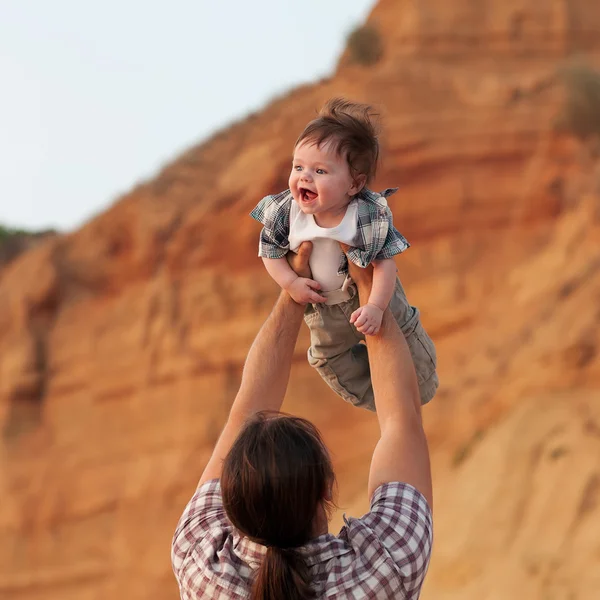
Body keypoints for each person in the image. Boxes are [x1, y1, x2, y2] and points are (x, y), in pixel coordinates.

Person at [171, 242, 434, 599]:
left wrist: (293, 292)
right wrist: (369, 291)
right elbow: (401, 422)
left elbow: (245, 409)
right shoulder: (386, 566)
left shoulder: (201, 569)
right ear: (326, 490)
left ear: (230, 501)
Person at [250, 98, 438, 412]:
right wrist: (291, 284)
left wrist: (377, 307)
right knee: (327, 359)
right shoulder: (287, 211)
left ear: (355, 184)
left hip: (372, 297)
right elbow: (269, 250)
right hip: (324, 307)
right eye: (298, 167)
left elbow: (385, 265)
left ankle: (422, 383)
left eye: (320, 171)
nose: (304, 177)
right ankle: (386, 401)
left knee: (402, 333)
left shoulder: (364, 214)